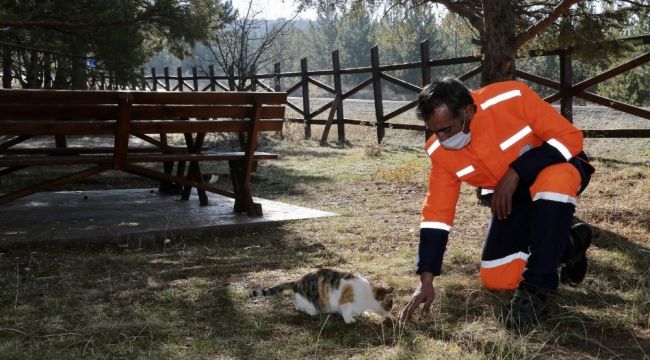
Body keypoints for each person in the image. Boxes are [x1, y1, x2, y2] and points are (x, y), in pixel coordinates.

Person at [399, 77, 595, 327]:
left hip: (559, 166)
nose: (441, 139)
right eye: (434, 131)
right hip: (514, 198)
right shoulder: (440, 153)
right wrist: (426, 278)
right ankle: (571, 244)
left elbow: (570, 137)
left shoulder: (511, 97)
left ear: (468, 111)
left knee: (555, 179)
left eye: (446, 129)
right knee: (497, 277)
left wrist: (517, 172)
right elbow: (437, 214)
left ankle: (536, 291)